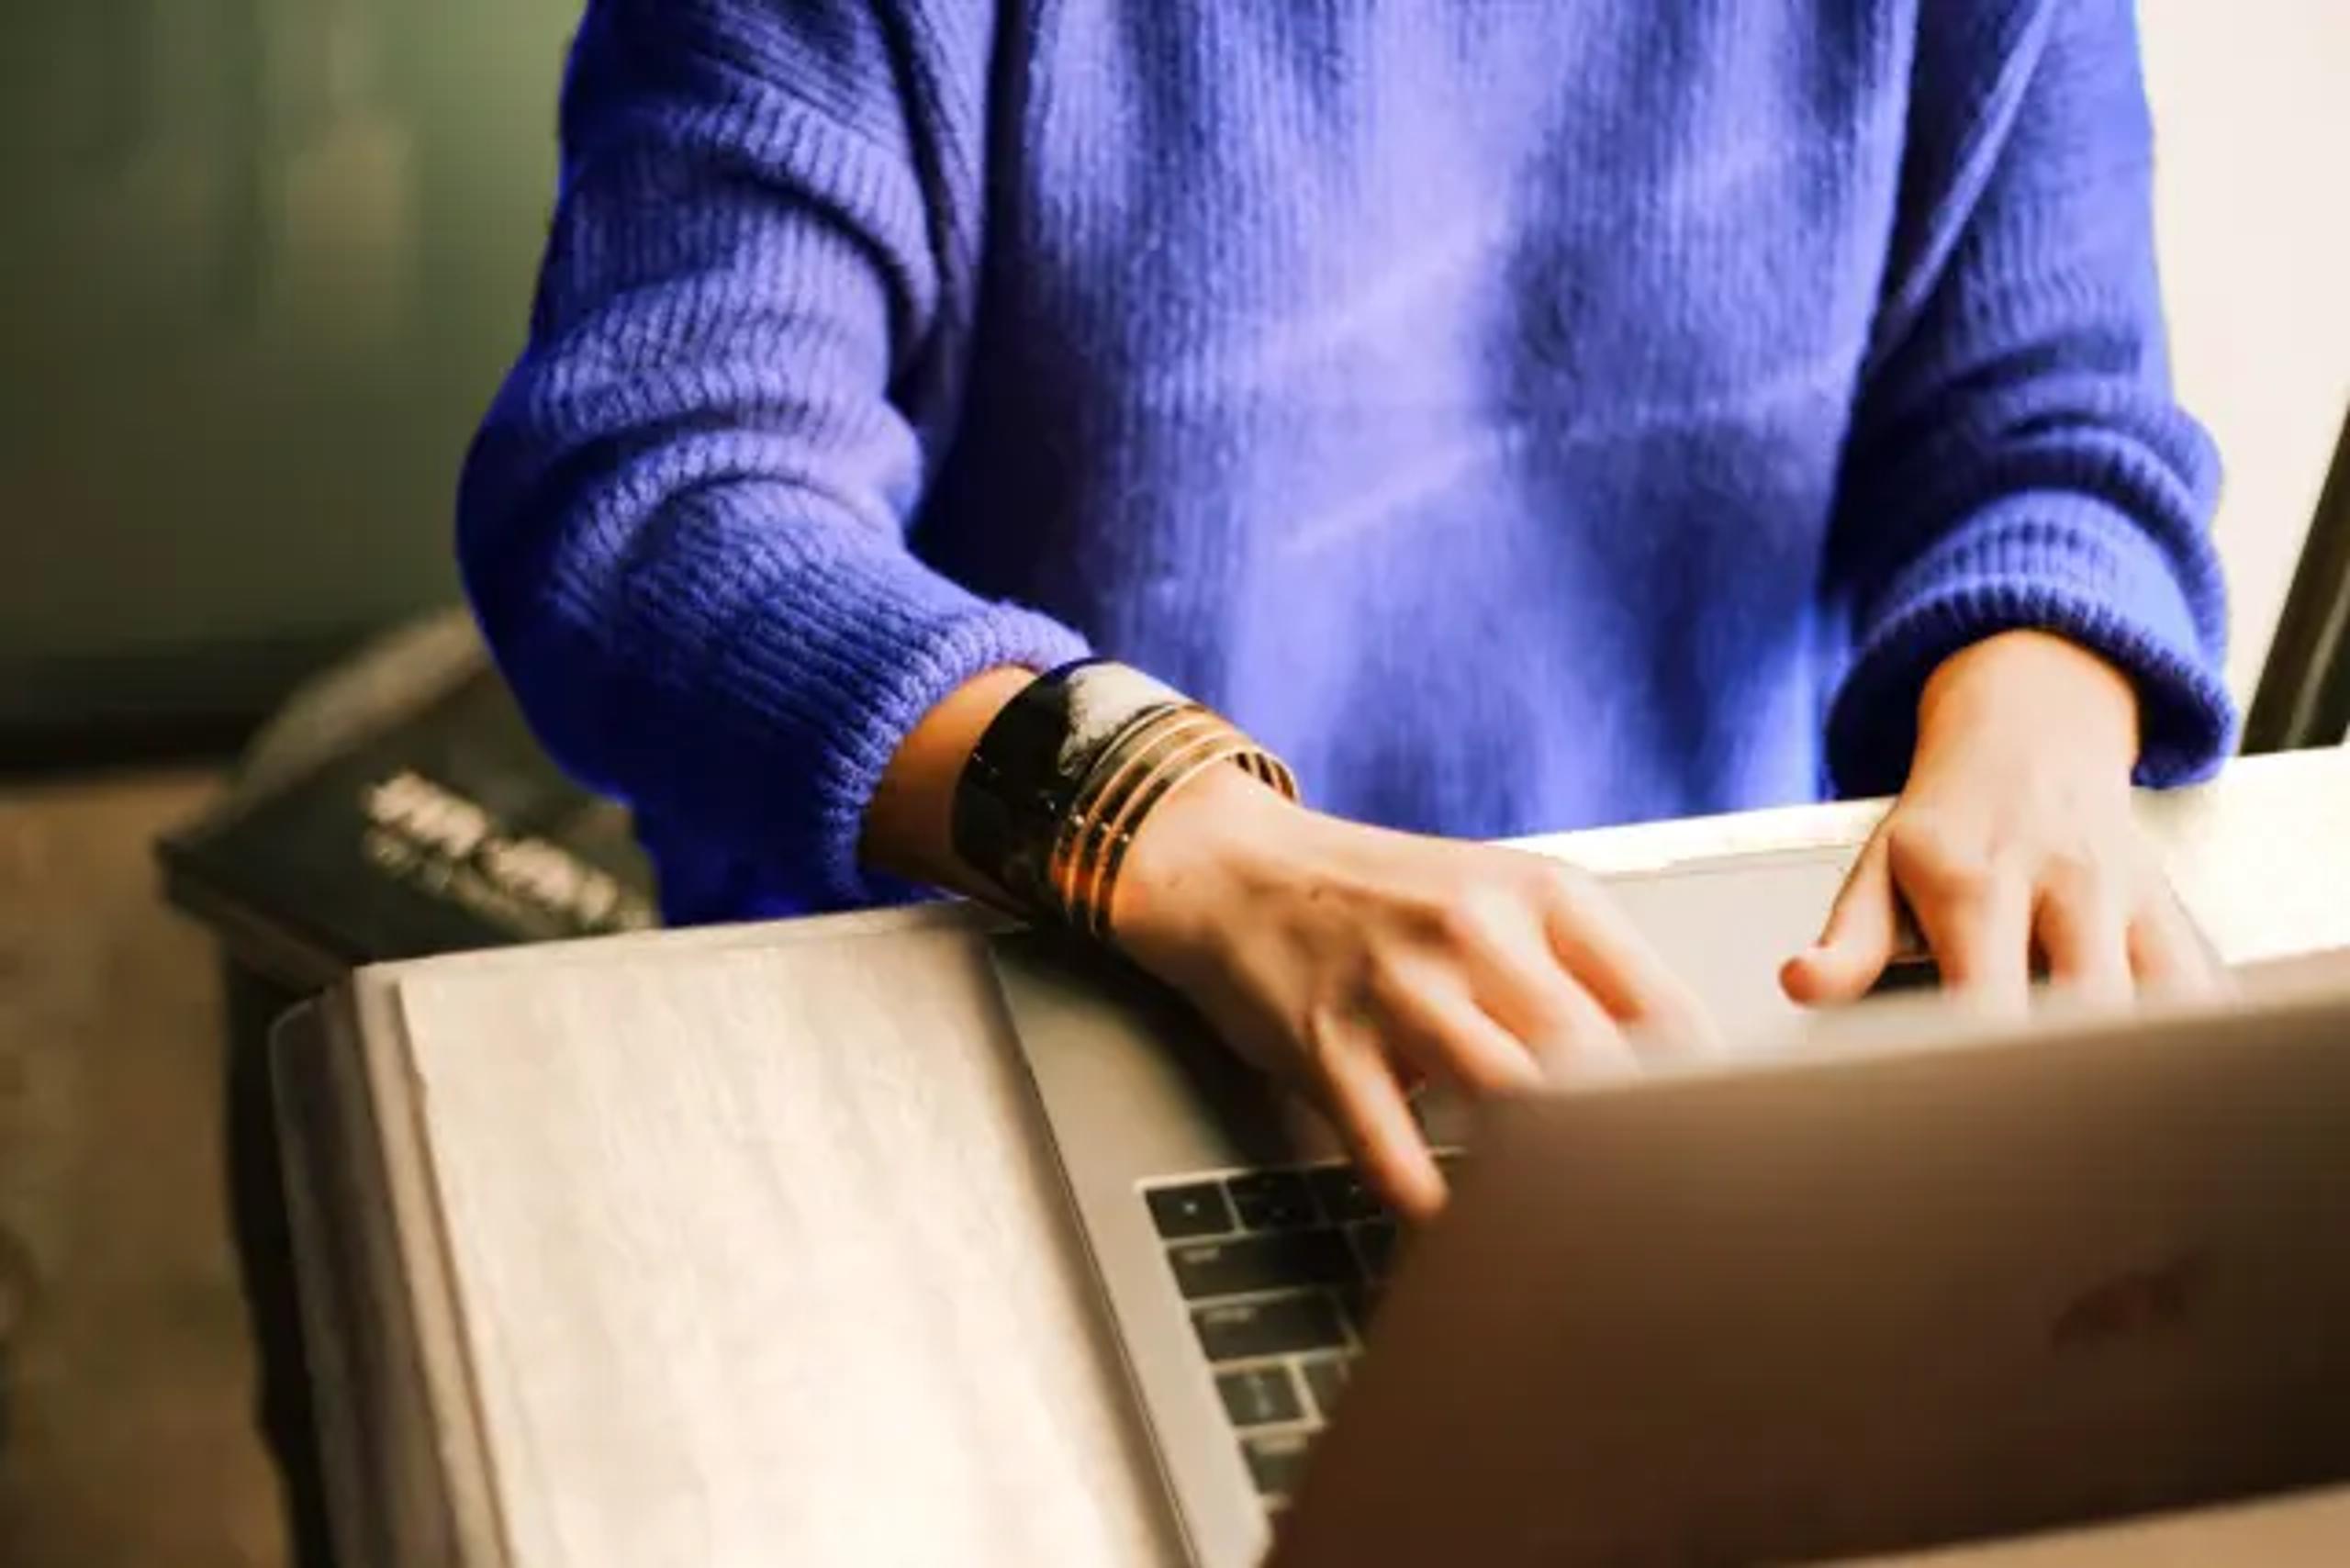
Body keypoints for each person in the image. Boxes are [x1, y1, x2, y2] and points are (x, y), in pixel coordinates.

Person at [459, 0, 2233, 1217]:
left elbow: (2051, 430)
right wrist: (1167, 828)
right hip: (1000, 1004)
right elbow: (652, 503)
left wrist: (2038, 729)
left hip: (1690, 1036)